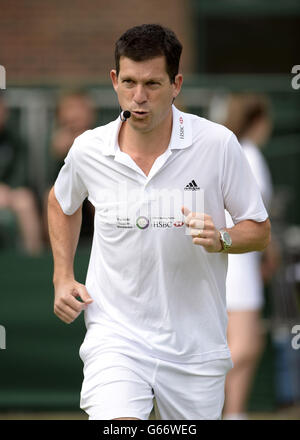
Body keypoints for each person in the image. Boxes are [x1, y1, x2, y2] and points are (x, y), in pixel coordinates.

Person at [47, 24, 271, 420]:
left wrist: (220, 237)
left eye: (152, 84)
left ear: (176, 84)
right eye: (129, 82)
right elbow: (60, 203)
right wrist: (62, 276)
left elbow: (259, 229)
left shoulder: (218, 144)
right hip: (114, 337)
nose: (139, 97)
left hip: (196, 348)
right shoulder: (88, 149)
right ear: (114, 80)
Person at [221, 93, 279, 419]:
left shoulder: (235, 153)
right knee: (244, 345)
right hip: (238, 261)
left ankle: (235, 412)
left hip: (237, 258)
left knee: (248, 344)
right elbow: (256, 220)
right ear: (259, 121)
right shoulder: (250, 156)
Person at [43, 90, 96, 244]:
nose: (75, 115)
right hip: (65, 189)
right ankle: (53, 248)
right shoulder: (56, 140)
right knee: (52, 196)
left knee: (101, 196)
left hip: (94, 189)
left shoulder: (100, 136)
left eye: (79, 108)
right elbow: (49, 175)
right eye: (70, 108)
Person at [0, 92, 43, 255]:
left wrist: (7, 189)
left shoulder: (15, 139)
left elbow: (21, 174)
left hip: (8, 193)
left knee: (25, 200)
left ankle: (33, 261)